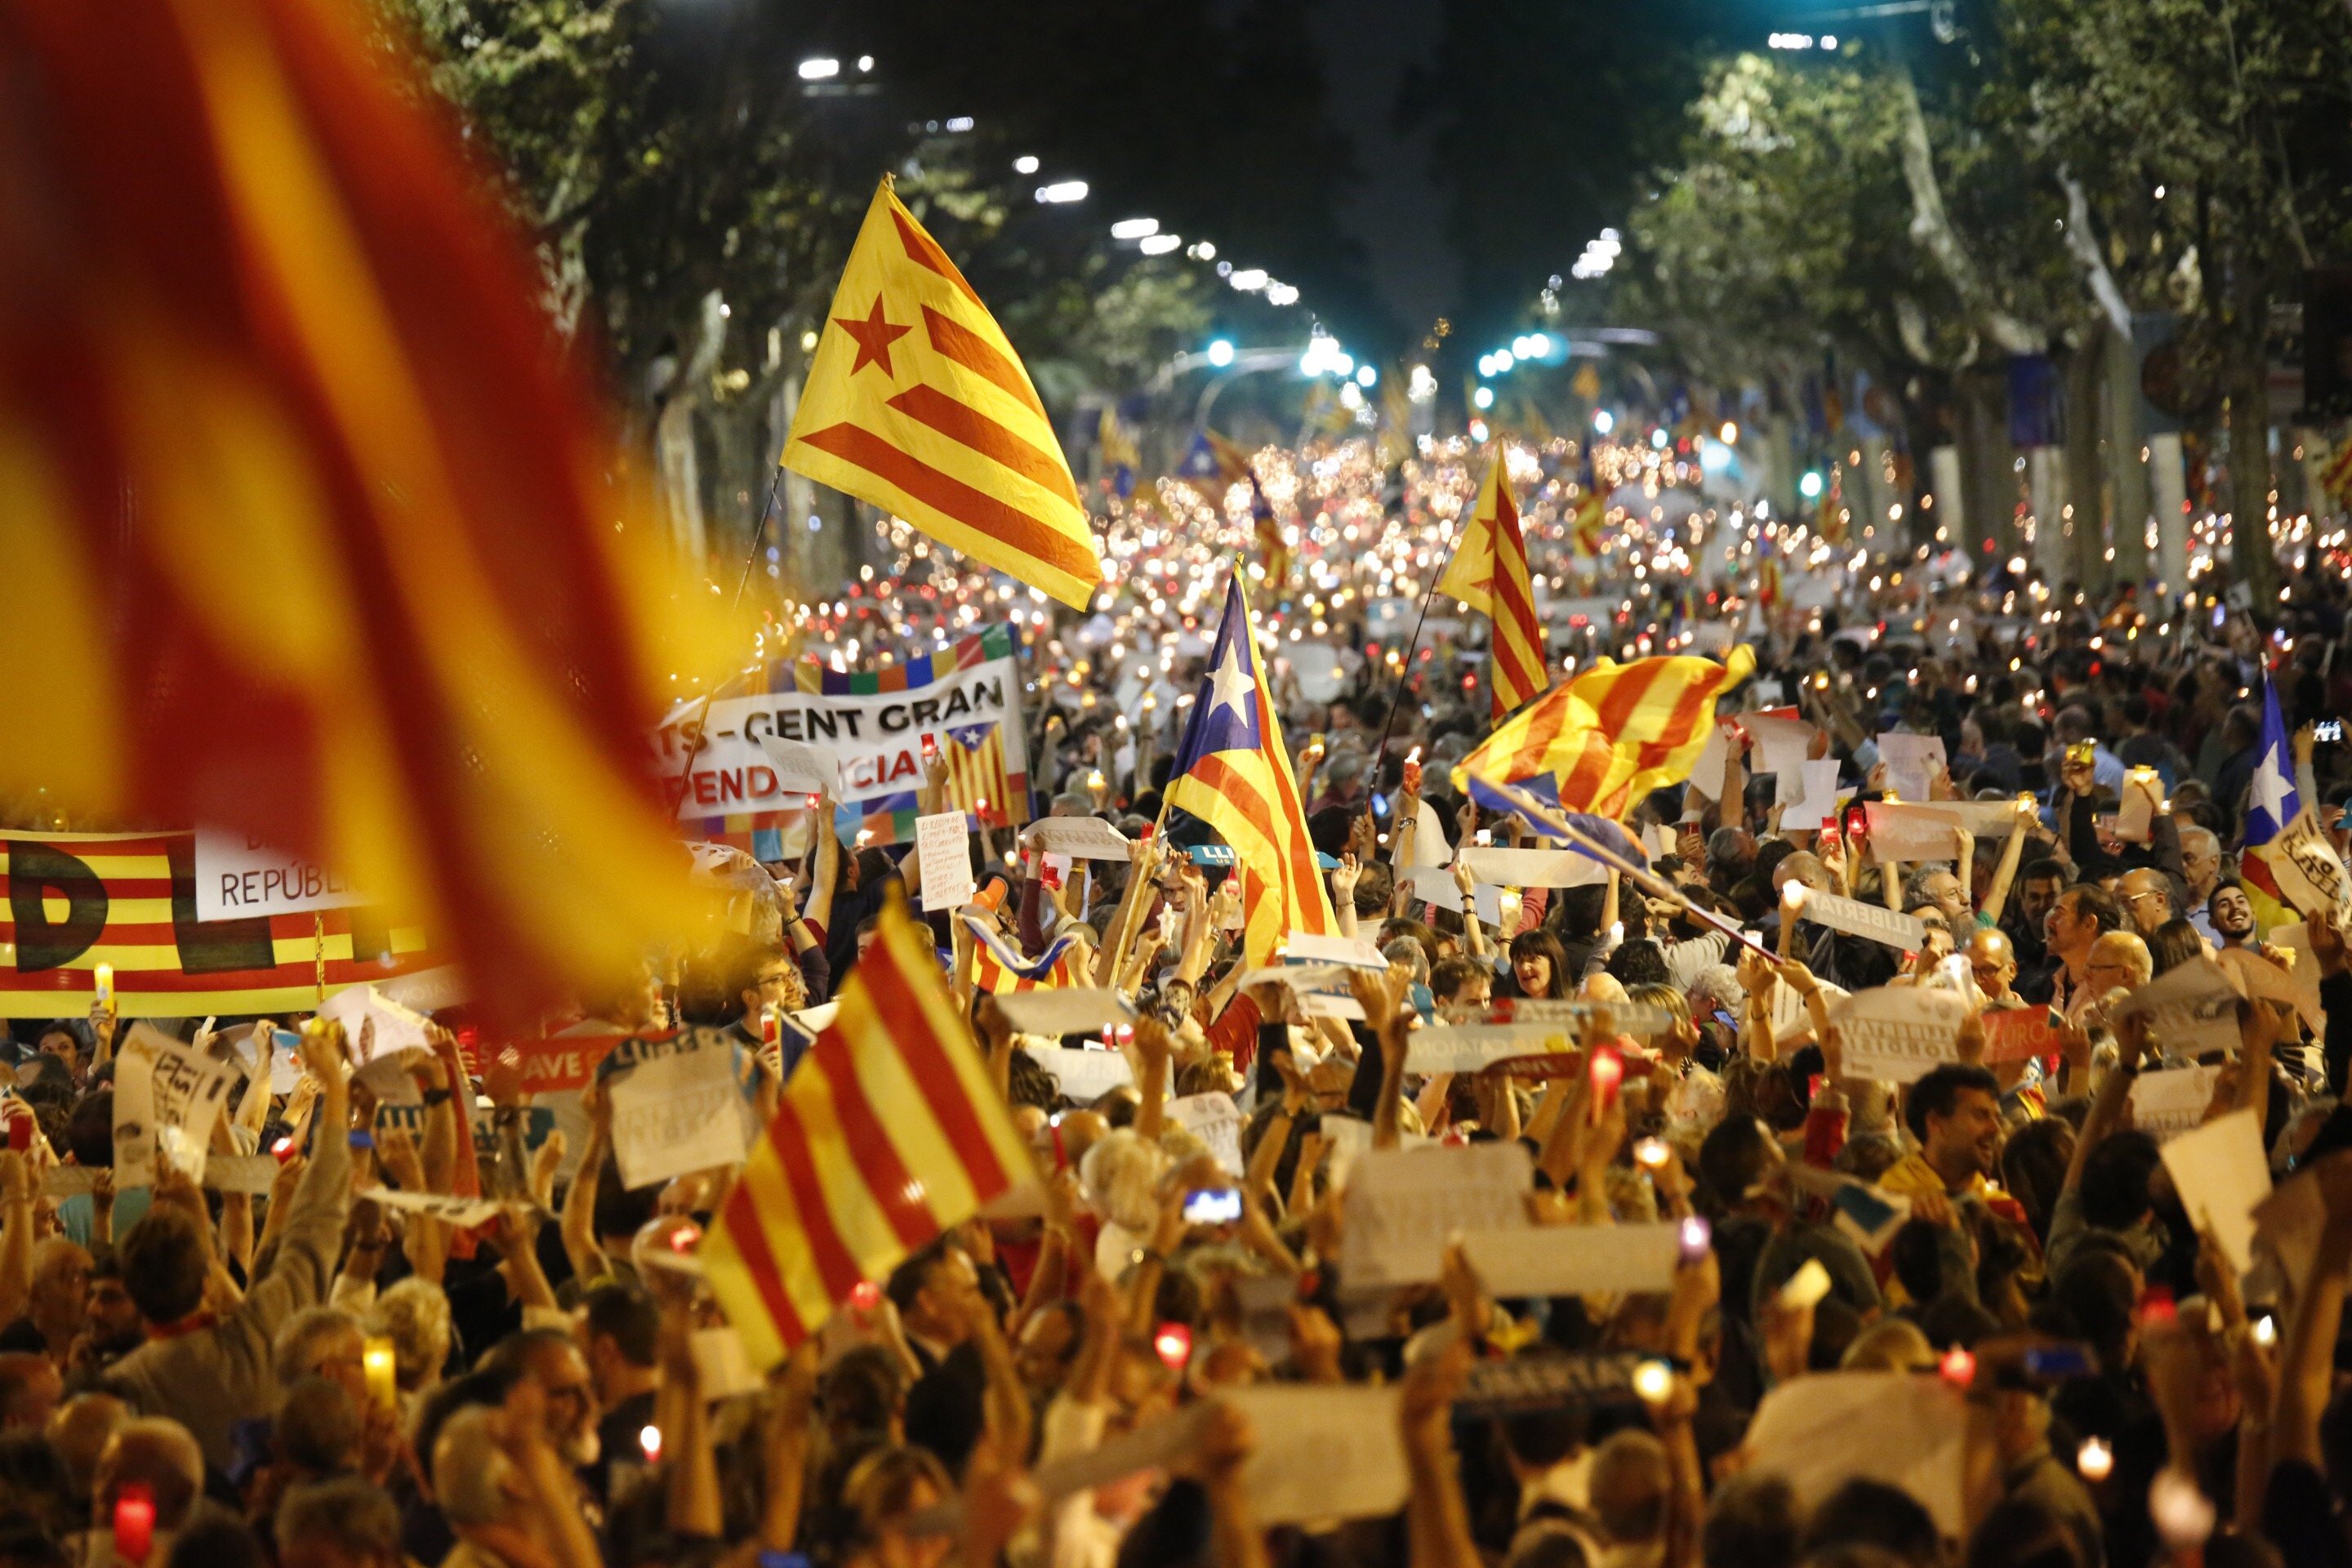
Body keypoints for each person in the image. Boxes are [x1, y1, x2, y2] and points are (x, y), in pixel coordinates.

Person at [104, 1027, 352, 1472]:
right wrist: (336, 1088)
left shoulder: (120, 1387)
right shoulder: (256, 1340)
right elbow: (316, 1227)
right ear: (206, 1279)